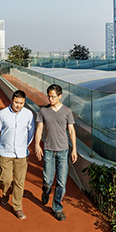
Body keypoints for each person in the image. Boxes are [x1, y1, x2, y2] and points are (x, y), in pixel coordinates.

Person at [0, 90, 35, 220]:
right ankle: (5, 192)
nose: (18, 105)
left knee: (19, 182)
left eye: (21, 103)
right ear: (12, 100)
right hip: (5, 153)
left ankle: (17, 207)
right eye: (16, 102)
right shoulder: (2, 114)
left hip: (22, 154)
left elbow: (31, 131)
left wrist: (25, 145)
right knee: (6, 180)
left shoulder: (28, 114)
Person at [34, 84, 77, 221]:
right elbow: (39, 130)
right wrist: (37, 145)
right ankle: (46, 191)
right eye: (49, 96)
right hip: (48, 150)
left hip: (63, 151)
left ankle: (57, 208)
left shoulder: (67, 111)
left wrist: (74, 149)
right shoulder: (43, 111)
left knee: (61, 182)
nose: (50, 99)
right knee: (48, 180)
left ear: (60, 96)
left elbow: (71, 131)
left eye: (53, 96)